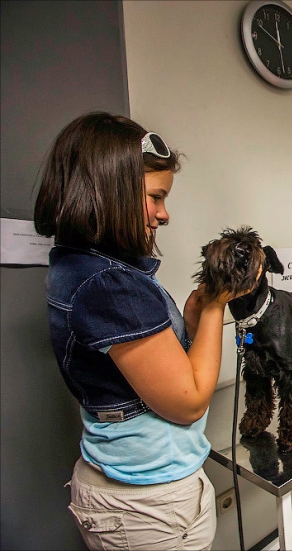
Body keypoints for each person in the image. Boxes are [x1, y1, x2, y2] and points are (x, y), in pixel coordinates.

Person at [33, 112, 252, 550]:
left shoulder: (81, 266)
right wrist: (215, 309)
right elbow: (187, 403)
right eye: (155, 197)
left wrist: (188, 322)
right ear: (108, 190)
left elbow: (148, 371)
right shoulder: (110, 284)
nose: (163, 214)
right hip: (148, 506)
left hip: (126, 484)